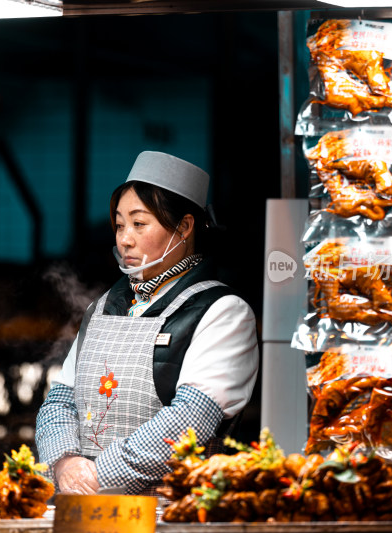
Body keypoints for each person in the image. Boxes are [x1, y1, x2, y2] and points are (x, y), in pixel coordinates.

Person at [35, 151, 259, 495]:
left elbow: (191, 419)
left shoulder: (223, 311)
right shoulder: (102, 308)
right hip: (84, 509)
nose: (124, 239)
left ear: (183, 228)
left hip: (171, 515)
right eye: (120, 224)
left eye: (139, 224)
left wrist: (95, 477)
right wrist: (64, 462)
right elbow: (60, 401)